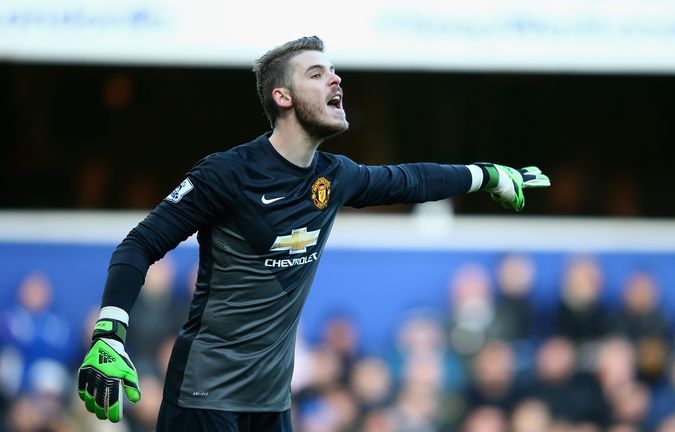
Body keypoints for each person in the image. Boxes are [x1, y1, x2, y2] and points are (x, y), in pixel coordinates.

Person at [75, 35, 550, 431]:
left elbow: (412, 179)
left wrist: (486, 174)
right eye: (317, 73)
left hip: (271, 403)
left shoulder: (334, 176)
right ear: (283, 97)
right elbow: (138, 244)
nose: (335, 78)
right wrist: (110, 333)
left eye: (333, 71)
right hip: (203, 395)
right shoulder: (226, 173)